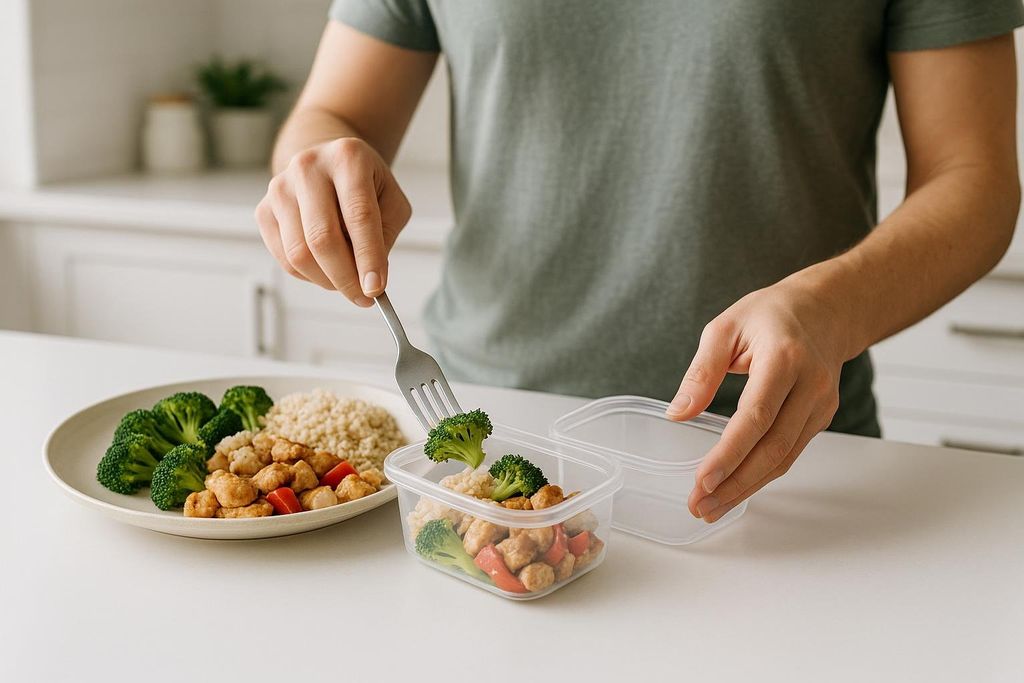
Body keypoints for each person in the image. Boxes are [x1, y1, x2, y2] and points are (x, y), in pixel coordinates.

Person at [256, 1, 1022, 523]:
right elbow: (334, 116)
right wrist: (313, 168)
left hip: (777, 471)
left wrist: (832, 305)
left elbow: (975, 179)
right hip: (479, 450)